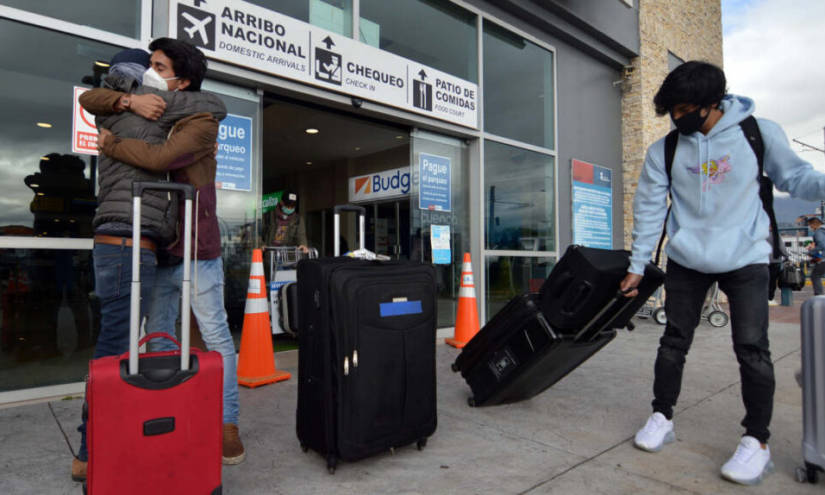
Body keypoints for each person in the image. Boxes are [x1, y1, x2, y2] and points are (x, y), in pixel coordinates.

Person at [620, 61, 825, 485]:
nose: (678, 118)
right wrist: (638, 265)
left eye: (685, 109)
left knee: (752, 348)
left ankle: (757, 440)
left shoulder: (757, 133)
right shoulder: (667, 150)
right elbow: (649, 209)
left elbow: (797, 177)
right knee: (673, 342)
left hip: (745, 256)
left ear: (713, 104)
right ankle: (662, 416)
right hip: (688, 259)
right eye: (672, 111)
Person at [78, 38, 245, 472]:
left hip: (195, 245)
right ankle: (167, 416)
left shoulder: (199, 116)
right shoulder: (149, 106)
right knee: (159, 333)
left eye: (158, 65)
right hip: (160, 245)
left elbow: (161, 158)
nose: (149, 71)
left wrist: (111, 145)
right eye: (148, 64)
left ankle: (227, 423)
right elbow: (94, 99)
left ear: (182, 79)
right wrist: (127, 101)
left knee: (214, 334)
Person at [806, 216, 825, 295]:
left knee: (815, 276)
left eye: (810, 225)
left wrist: (812, 252)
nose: (809, 227)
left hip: (823, 258)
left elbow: (822, 245)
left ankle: (819, 295)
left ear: (814, 224)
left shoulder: (818, 232)